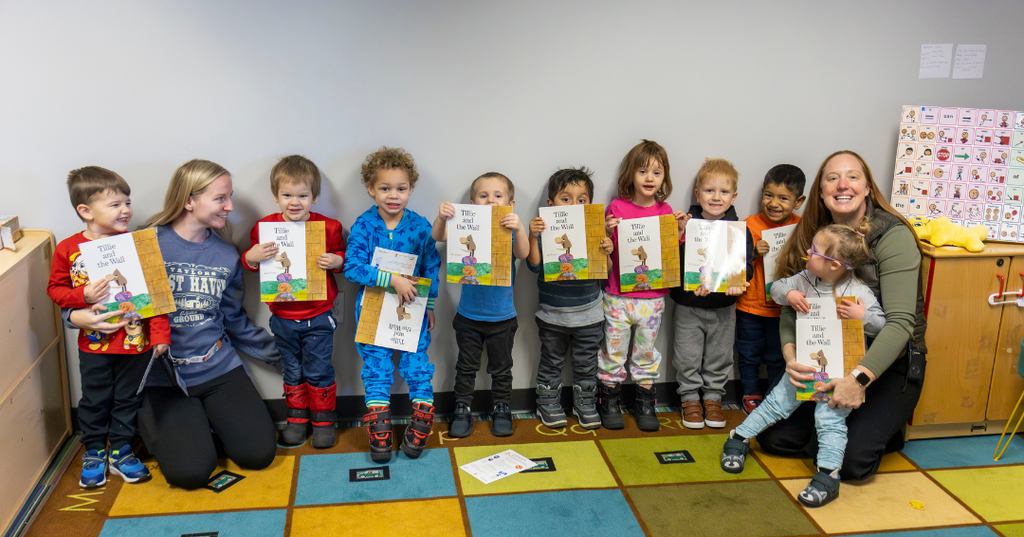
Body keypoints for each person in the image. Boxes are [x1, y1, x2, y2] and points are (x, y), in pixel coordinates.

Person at [69, 159, 283, 490]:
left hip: (217, 368)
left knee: (258, 455)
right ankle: (189, 427)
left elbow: (233, 319)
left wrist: (285, 359)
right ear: (189, 200)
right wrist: (71, 317)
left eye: (230, 197)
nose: (230, 207)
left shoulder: (227, 255)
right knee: (190, 474)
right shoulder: (139, 243)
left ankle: (207, 421)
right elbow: (84, 293)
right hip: (159, 376)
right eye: (221, 198)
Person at [756, 150, 928, 481]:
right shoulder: (815, 235)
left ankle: (878, 426)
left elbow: (901, 324)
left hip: (888, 363)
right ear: (821, 192)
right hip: (829, 356)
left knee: (849, 464)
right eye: (832, 178)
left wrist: (857, 381)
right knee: (773, 437)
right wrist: (791, 355)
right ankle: (844, 426)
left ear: (867, 187)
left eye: (852, 176)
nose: (842, 185)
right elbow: (793, 300)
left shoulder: (893, 236)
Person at [721, 223, 884, 508]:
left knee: (830, 420)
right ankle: (740, 437)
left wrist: (862, 316)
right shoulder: (805, 279)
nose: (807, 253)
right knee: (776, 404)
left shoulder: (859, 292)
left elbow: (881, 326)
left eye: (814, 251)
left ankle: (828, 474)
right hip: (804, 365)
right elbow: (778, 288)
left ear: (834, 265)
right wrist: (790, 296)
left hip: (842, 375)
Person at [48, 166, 169, 489]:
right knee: (95, 398)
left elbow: (156, 296)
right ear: (85, 211)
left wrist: (159, 336)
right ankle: (94, 451)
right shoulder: (68, 249)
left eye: (127, 202)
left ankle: (120, 449)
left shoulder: (137, 245)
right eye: (115, 204)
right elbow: (55, 290)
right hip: (95, 345)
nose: (126, 210)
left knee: (128, 398)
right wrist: (81, 295)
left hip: (136, 344)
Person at [242, 155, 346, 449]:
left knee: (319, 369)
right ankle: (297, 418)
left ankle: (324, 421)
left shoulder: (328, 227)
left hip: (319, 315)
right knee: (292, 369)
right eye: (287, 195)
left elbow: (346, 260)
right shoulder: (265, 227)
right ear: (275, 196)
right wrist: (251, 257)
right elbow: (250, 262)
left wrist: (337, 260)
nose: (295, 202)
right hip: (283, 317)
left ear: (314, 197)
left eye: (303, 195)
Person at [345, 146, 440, 462]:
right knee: (376, 369)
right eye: (384, 188)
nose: (393, 195)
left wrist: (430, 305)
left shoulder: (420, 226)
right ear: (371, 189)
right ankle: (380, 432)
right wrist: (391, 280)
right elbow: (353, 267)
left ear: (411, 189)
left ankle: (422, 421)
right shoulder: (364, 225)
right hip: (372, 309)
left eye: (401, 188)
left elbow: (431, 265)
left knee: (416, 365)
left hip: (412, 308)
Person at [433, 172, 530, 437]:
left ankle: (502, 408)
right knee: (465, 367)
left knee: (502, 368)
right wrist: (442, 217)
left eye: (497, 196)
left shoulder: (509, 231)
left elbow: (524, 254)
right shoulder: (465, 228)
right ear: (473, 204)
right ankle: (462, 407)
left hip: (503, 317)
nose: (490, 201)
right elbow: (439, 236)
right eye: (483, 196)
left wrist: (520, 228)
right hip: (468, 316)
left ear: (509, 205)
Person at [600, 140, 687, 431]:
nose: (649, 178)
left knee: (645, 352)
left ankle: (645, 400)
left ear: (665, 178)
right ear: (631, 175)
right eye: (642, 171)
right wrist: (608, 231)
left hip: (653, 299)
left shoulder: (666, 211)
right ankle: (609, 399)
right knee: (613, 350)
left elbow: (669, 253)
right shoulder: (617, 207)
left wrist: (680, 230)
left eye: (657, 173)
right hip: (617, 296)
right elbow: (607, 251)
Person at [526, 167, 613, 429]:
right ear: (551, 205)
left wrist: (608, 249)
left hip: (589, 313)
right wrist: (533, 235)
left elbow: (606, 271)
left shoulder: (595, 231)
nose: (574, 205)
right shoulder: (546, 232)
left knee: (586, 364)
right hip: (553, 314)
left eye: (582, 200)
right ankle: (548, 401)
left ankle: (585, 402)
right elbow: (533, 266)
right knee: (551, 362)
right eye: (566, 198)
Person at [669, 158, 753, 429]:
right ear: (698, 194)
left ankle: (714, 398)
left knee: (720, 354)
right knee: (686, 354)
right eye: (709, 190)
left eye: (724, 192)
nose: (716, 197)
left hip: (723, 305)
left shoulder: (740, 231)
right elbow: (672, 262)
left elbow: (745, 266)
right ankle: (690, 399)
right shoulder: (686, 225)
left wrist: (739, 282)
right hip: (688, 303)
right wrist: (680, 234)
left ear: (734, 197)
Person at [734, 165, 806, 414]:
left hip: (783, 310)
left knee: (779, 356)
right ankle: (751, 393)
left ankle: (776, 394)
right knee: (748, 354)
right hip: (750, 307)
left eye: (783, 198)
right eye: (768, 195)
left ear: (798, 202)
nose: (774, 203)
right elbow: (733, 266)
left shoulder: (802, 229)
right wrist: (753, 253)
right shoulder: (748, 225)